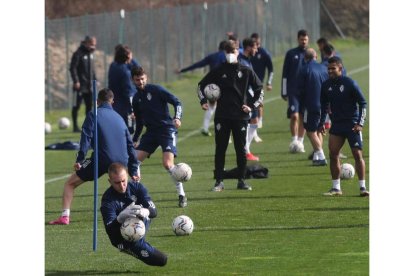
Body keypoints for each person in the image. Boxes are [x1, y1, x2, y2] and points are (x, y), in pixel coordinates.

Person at [49, 88, 139, 225]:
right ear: (112, 102)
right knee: (122, 186)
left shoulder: (93, 114)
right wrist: (132, 169)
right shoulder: (119, 118)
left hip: (101, 158)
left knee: (70, 183)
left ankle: (64, 217)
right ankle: (134, 210)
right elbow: (130, 145)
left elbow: (85, 138)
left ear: (97, 101)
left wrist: (80, 160)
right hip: (122, 160)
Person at [197, 40, 264, 192]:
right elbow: (201, 85)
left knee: (241, 149)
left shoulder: (246, 70)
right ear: (224, 53)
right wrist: (203, 101)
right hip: (222, 116)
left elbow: (259, 89)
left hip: (241, 117)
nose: (230, 55)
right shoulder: (218, 69)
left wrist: (251, 105)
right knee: (220, 149)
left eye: (232, 51)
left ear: (238, 52)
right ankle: (219, 181)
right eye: (227, 52)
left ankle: (241, 180)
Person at [131, 66, 187, 207]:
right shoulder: (136, 98)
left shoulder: (156, 90)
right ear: (133, 80)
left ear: (146, 78)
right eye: (137, 80)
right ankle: (136, 196)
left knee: (168, 164)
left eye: (142, 79)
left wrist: (177, 117)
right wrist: (135, 139)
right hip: (151, 133)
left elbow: (177, 102)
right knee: (134, 161)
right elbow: (138, 122)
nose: (140, 82)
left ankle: (181, 194)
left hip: (167, 130)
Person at [319, 57, 369, 197]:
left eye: (333, 68)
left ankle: (363, 188)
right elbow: (324, 106)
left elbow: (363, 103)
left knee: (357, 155)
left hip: (352, 125)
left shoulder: (349, 83)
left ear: (340, 68)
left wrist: (360, 123)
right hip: (337, 125)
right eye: (328, 68)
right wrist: (322, 122)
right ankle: (336, 188)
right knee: (333, 154)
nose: (330, 71)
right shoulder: (326, 85)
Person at [100, 162, 167, 267]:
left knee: (162, 260)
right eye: (117, 183)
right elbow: (110, 230)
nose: (122, 186)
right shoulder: (108, 201)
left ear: (127, 176)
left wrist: (147, 211)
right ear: (110, 181)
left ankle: (139, 240)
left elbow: (154, 212)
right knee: (161, 260)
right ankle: (129, 247)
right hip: (121, 238)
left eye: (123, 181)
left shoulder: (137, 187)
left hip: (141, 221)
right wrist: (120, 218)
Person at [176, 40, 227, 136]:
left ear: (219, 48)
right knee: (224, 108)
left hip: (211, 85)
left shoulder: (212, 56)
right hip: (224, 84)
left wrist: (182, 70)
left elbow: (198, 64)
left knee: (212, 107)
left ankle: (205, 127)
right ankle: (222, 130)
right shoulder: (228, 57)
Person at [297, 48, 329, 166]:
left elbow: (299, 90)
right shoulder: (324, 68)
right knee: (318, 129)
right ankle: (316, 155)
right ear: (316, 57)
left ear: (305, 58)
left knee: (310, 131)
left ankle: (321, 156)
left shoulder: (304, 69)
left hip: (311, 105)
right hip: (324, 105)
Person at [281, 29, 309, 152]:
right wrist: (284, 90)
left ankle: (300, 142)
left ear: (308, 40)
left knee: (303, 117)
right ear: (298, 39)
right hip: (293, 91)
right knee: (294, 116)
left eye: (306, 39)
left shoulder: (310, 54)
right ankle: (294, 140)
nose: (303, 41)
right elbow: (285, 73)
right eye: (302, 39)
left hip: (306, 91)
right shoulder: (291, 53)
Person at [238, 37, 261, 161]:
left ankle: (246, 150)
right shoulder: (241, 61)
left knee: (254, 121)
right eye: (255, 47)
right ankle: (245, 152)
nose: (257, 50)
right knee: (247, 122)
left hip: (250, 95)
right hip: (244, 97)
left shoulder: (247, 60)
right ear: (248, 47)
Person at [69, 35, 97, 132]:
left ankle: (88, 126)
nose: (93, 46)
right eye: (92, 44)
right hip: (80, 86)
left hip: (89, 86)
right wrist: (76, 80)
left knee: (89, 107)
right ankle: (75, 126)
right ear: (86, 43)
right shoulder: (78, 53)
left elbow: (92, 70)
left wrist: (95, 80)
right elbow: (72, 68)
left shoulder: (91, 54)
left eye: (94, 45)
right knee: (76, 106)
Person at [108, 45, 137, 134]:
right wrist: (132, 109)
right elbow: (128, 92)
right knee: (129, 131)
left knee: (116, 130)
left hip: (114, 103)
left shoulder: (113, 66)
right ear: (128, 56)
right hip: (125, 107)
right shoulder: (125, 72)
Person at [250, 33, 274, 130]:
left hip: (259, 82)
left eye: (256, 40)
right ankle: (251, 119)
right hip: (248, 82)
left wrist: (269, 82)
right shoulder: (249, 53)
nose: (255, 43)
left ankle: (260, 119)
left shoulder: (264, 53)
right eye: (253, 41)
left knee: (259, 101)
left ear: (259, 41)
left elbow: (271, 69)